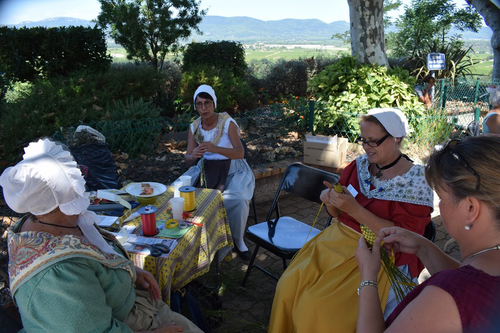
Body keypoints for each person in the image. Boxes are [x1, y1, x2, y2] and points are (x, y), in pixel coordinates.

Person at [0, 138, 203, 333]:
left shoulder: (56, 220)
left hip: (137, 308)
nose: (82, 182)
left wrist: (130, 270)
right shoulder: (53, 276)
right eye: (76, 181)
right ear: (59, 198)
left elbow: (96, 255)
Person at [268, 108, 434, 332]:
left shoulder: (417, 181)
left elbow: (404, 237)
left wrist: (355, 210)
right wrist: (330, 201)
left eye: (373, 141)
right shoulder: (359, 166)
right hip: (335, 242)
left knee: (317, 308)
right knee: (287, 286)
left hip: (377, 254)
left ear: (397, 138)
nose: (366, 147)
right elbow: (337, 215)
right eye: (363, 140)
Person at [356, 136, 500, 332]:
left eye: (441, 197)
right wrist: (423, 247)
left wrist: (368, 277)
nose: (439, 205)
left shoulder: (445, 297)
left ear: (470, 208)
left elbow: (465, 287)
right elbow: (474, 280)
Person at [184, 85, 255, 260]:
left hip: (233, 168)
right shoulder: (194, 127)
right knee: (180, 190)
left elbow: (240, 153)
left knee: (236, 199)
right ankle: (198, 239)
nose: (203, 108)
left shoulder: (227, 123)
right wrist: (193, 155)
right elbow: (188, 157)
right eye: (199, 104)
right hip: (207, 169)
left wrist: (216, 148)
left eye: (207, 103)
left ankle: (238, 240)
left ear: (214, 103)